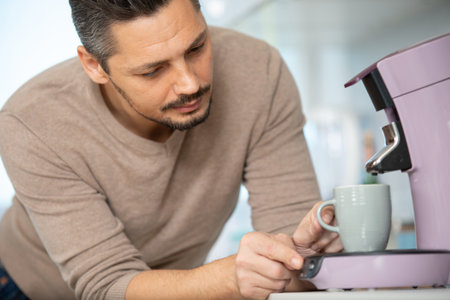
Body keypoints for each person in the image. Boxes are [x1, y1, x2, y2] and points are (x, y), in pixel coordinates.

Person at [0, 0, 342, 299]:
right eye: (153, 70)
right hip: (29, 287)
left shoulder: (260, 72)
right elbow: (106, 285)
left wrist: (303, 255)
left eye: (196, 48)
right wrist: (230, 278)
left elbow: (292, 250)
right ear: (94, 66)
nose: (190, 83)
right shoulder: (31, 122)